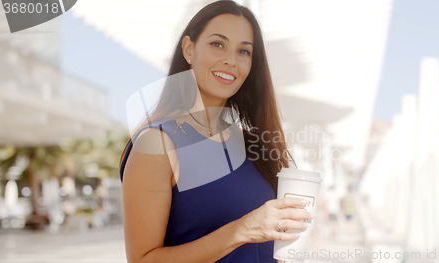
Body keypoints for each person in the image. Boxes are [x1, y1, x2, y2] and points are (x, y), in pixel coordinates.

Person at [118, 1, 313, 262]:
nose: (231, 60)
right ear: (189, 49)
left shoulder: (252, 143)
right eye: (217, 44)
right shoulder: (158, 144)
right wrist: (242, 230)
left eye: (244, 52)